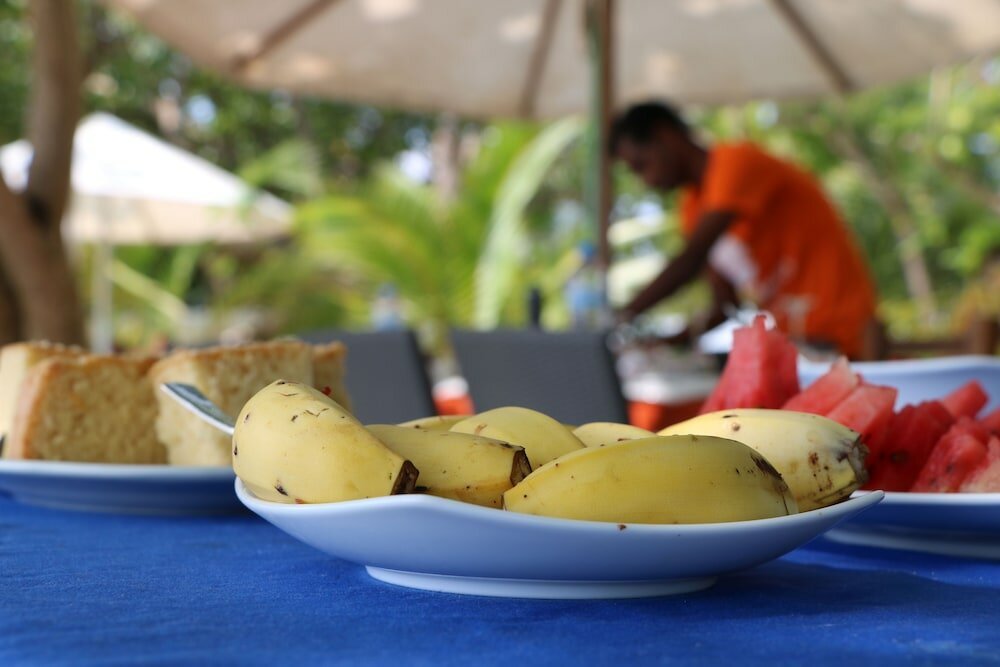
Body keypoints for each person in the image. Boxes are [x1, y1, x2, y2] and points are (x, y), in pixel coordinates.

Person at [610, 101, 877, 358]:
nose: (648, 181)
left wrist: (622, 316)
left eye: (641, 165)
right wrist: (663, 342)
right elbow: (723, 305)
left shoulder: (733, 162)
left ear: (664, 135)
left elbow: (692, 258)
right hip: (795, 344)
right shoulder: (692, 208)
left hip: (843, 335)